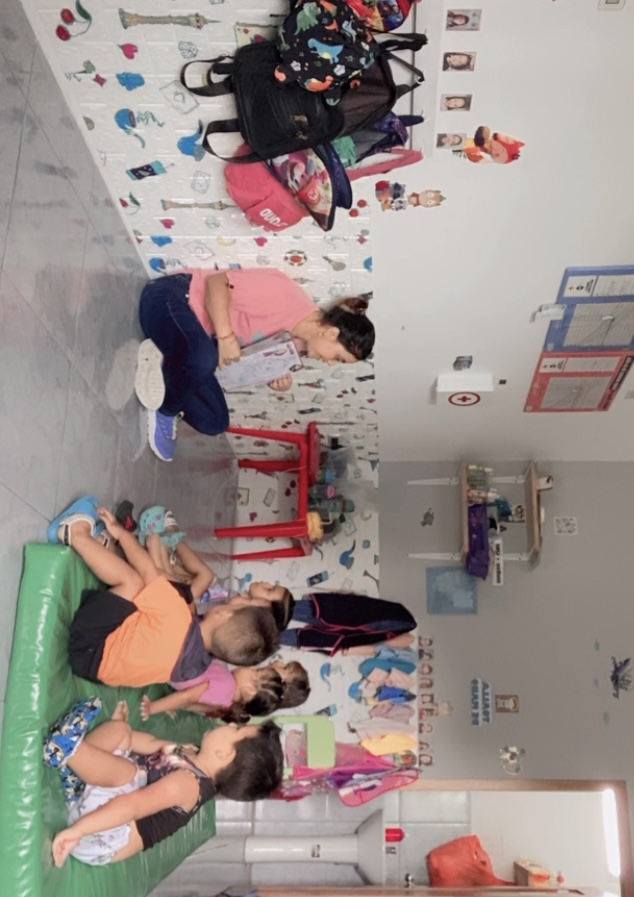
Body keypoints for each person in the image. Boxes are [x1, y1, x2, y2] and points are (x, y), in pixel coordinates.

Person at [135, 268, 376, 461]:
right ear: (332, 334)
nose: (331, 365)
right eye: (338, 358)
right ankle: (165, 411)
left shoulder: (298, 347)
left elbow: (236, 363)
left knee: (215, 422)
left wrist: (271, 375)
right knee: (204, 358)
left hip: (195, 346)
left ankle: (164, 359)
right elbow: (216, 282)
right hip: (171, 300)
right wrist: (226, 337)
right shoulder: (284, 295)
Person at [52, 500, 280, 686]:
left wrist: (121, 533)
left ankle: (75, 534)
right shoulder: (195, 665)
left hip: (90, 645)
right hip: (94, 670)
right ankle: (103, 547)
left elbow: (147, 570)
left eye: (241, 602)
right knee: (146, 598)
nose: (238, 598)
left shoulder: (178, 617)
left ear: (224, 614)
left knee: (133, 583)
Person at [44, 698, 283, 867]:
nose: (231, 724)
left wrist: (79, 830)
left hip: (101, 835)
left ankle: (65, 750)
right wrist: (118, 734)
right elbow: (149, 744)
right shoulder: (192, 753)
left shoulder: (188, 785)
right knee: (122, 731)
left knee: (129, 773)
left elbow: (132, 806)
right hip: (106, 808)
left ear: (225, 754)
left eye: (237, 729)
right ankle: (75, 772)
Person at [141, 659, 310, 723]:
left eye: (256, 671)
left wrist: (153, 708)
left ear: (250, 689)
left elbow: (188, 697)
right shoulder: (227, 700)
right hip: (175, 671)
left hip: (172, 668)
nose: (252, 667)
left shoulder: (227, 684)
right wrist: (174, 705)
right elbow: (194, 704)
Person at [279, 592, 416, 656]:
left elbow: (370, 644)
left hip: (345, 636)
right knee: (310, 611)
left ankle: (270, 635)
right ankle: (271, 614)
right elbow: (363, 605)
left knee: (310, 636)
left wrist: (351, 650)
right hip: (341, 612)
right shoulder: (399, 617)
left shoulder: (391, 634)